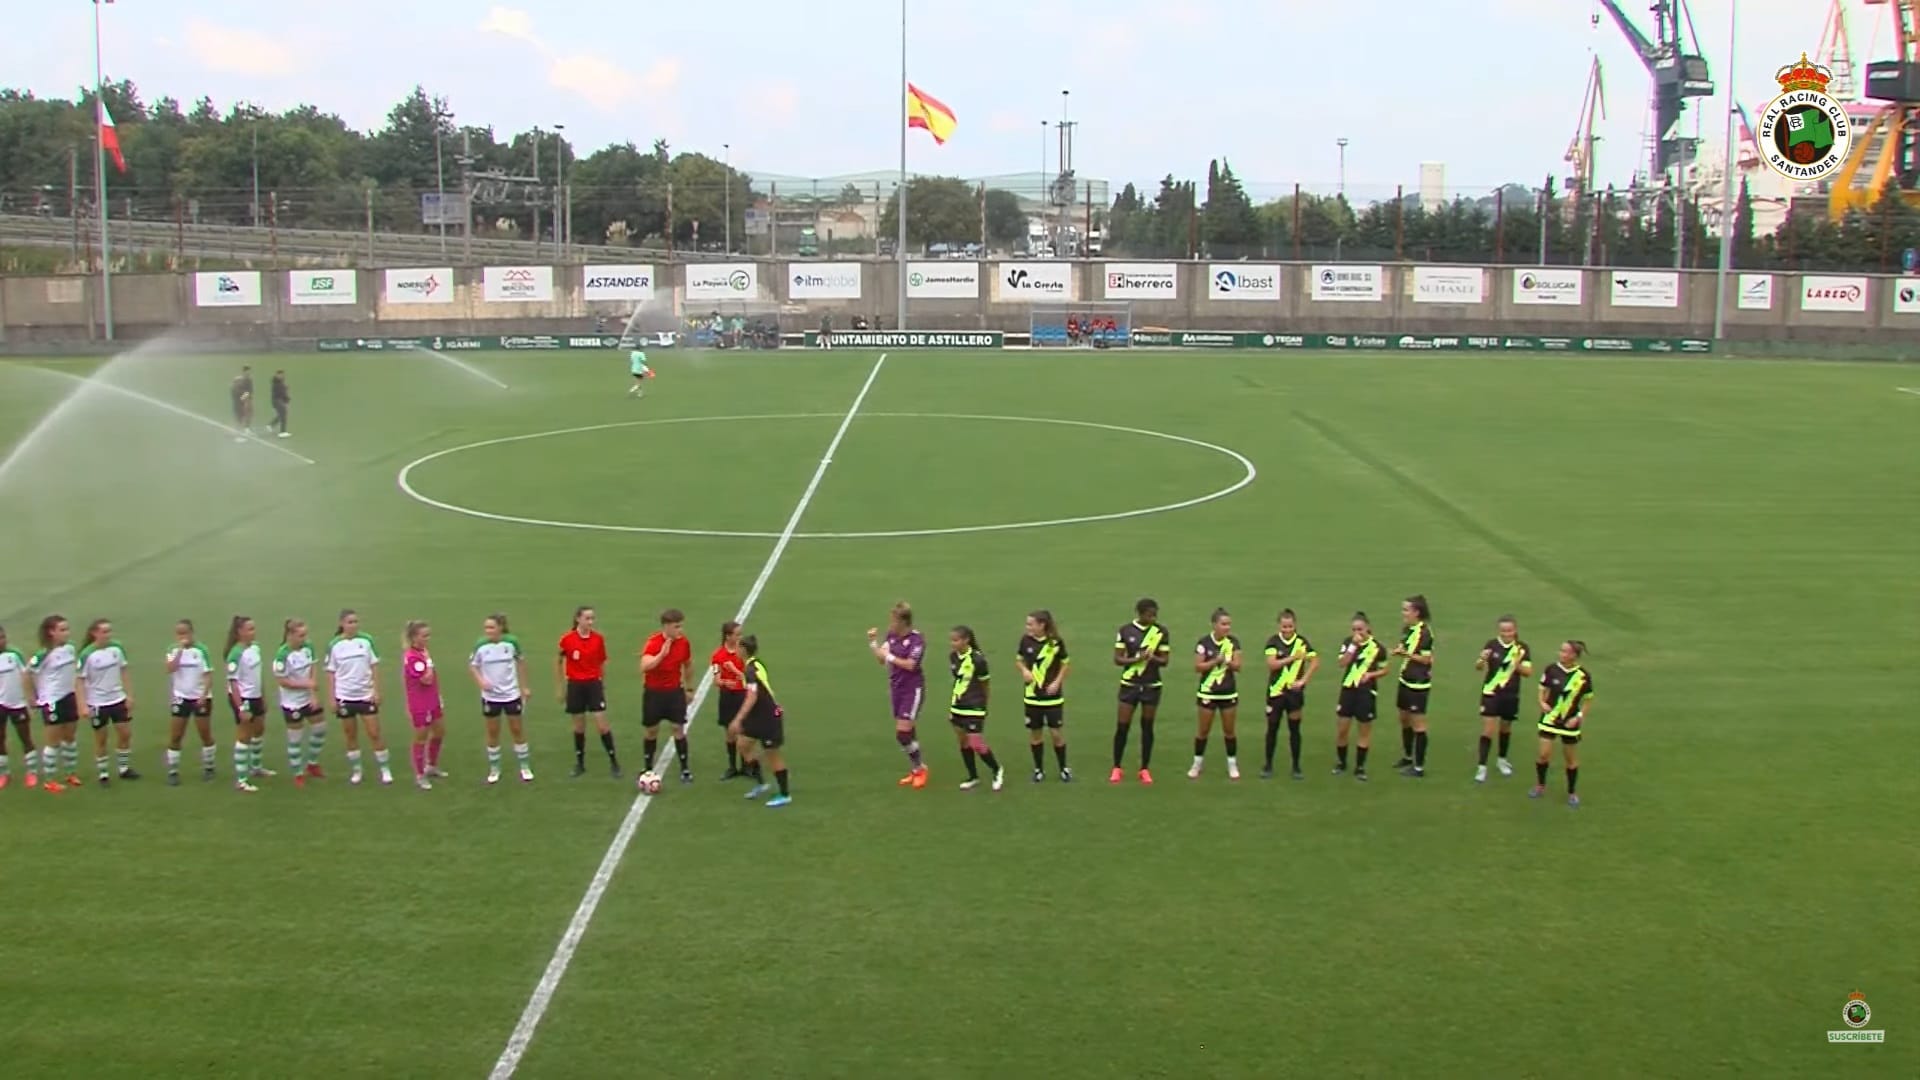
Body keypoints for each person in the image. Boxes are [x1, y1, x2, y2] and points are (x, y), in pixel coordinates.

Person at [324, 609, 391, 787]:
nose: (354, 625)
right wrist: (331, 698)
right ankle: (357, 770)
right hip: (345, 696)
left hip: (365, 695)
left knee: (374, 733)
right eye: (350, 622)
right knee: (350, 734)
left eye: (356, 622)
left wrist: (377, 690)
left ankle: (385, 769)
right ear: (342, 624)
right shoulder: (334, 645)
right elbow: (330, 673)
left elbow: (374, 666)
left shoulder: (366, 640)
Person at [866, 602, 928, 788]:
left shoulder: (917, 640)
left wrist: (890, 657)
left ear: (903, 622)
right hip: (896, 688)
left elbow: (911, 665)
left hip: (912, 690)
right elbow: (881, 660)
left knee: (902, 734)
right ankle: (916, 769)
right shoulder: (891, 636)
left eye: (893, 620)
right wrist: (873, 643)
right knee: (908, 730)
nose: (890, 624)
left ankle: (920, 768)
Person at [1111, 597, 1171, 785]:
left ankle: (1144, 768)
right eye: (1149, 615)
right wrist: (1137, 659)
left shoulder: (1161, 632)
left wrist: (1152, 658)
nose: (1153, 618)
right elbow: (1118, 659)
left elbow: (1165, 661)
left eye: (1155, 615)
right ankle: (1117, 767)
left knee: (1147, 727)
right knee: (1123, 726)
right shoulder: (1125, 631)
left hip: (1152, 685)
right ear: (1140, 613)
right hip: (1130, 684)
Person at [470, 613, 533, 785]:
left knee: (517, 730)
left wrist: (524, 687)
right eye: (486, 628)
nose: (488, 631)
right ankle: (494, 769)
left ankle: (525, 767)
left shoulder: (511, 643)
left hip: (511, 694)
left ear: (500, 627)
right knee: (492, 732)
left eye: (491, 627)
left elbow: (521, 663)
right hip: (491, 697)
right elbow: (473, 665)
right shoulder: (481, 645)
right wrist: (481, 682)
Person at [558, 606, 619, 778]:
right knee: (579, 726)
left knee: (602, 725)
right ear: (578, 619)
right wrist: (561, 687)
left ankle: (614, 762)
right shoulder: (567, 639)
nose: (590, 622)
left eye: (592, 618)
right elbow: (559, 660)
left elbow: (601, 662)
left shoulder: (598, 639)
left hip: (593, 684)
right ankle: (580, 764)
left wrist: (601, 683)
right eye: (587, 618)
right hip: (575, 685)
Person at [731, 634, 791, 807]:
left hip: (768, 718)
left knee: (772, 754)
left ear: (743, 649)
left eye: (737, 647)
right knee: (743, 745)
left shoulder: (750, 670)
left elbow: (752, 696)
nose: (735, 650)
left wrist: (738, 719)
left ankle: (785, 794)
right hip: (758, 716)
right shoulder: (755, 665)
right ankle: (761, 783)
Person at [77, 618, 139, 786]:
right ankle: (103, 773)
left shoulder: (117, 648)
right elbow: (80, 680)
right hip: (97, 703)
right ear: (94, 633)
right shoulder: (87, 654)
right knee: (101, 739)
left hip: (117, 699)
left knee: (125, 734)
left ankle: (124, 768)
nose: (108, 635)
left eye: (109, 631)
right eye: (104, 632)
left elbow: (124, 671)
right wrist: (82, 705)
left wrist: (129, 695)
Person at [1531, 641, 1594, 808]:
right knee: (1543, 755)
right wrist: (1541, 703)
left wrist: (1579, 717)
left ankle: (1572, 792)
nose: (1562, 654)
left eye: (1566, 652)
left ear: (1574, 655)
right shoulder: (1551, 669)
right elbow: (1542, 688)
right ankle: (1540, 785)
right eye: (1561, 651)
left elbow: (1588, 699)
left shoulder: (1583, 676)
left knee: (1570, 760)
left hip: (1570, 723)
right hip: (1549, 719)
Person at [1261, 609, 1319, 780]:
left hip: (1294, 693)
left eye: (1290, 626)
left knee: (1294, 729)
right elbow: (1272, 665)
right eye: (1284, 626)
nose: (1287, 630)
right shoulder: (1273, 642)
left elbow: (1315, 661)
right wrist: (1292, 658)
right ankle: (1268, 765)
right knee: (1272, 728)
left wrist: (1303, 681)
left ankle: (1296, 766)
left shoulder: (1302, 642)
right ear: (1279, 626)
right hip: (1276, 692)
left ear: (1295, 625)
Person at [1474, 616, 1533, 783]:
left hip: (1511, 694)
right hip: (1491, 692)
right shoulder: (1491, 645)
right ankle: (1482, 767)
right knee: (1488, 730)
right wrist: (1482, 659)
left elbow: (1528, 672)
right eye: (1503, 630)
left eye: (1509, 630)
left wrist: (1516, 664)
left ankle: (1502, 759)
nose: (1506, 633)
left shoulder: (1522, 648)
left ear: (1515, 630)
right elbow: (1478, 667)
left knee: (1505, 728)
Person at [1014, 609, 1071, 783]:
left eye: (1030, 624)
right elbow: (1019, 660)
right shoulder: (1025, 641)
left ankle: (1063, 768)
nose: (1027, 627)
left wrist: (1057, 682)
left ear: (1042, 625)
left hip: (1053, 697)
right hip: (1032, 696)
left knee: (1056, 733)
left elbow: (1065, 663)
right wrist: (1024, 671)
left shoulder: (1055, 643)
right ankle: (1038, 769)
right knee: (1035, 734)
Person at [639, 608, 694, 783]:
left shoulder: (684, 643)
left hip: (674, 692)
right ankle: (648, 767)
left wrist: (689, 688)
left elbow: (688, 664)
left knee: (678, 729)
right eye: (677, 627)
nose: (680, 630)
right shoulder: (653, 642)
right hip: (654, 693)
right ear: (666, 626)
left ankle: (685, 768)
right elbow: (644, 666)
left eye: (681, 626)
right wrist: (661, 655)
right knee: (651, 730)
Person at [1332, 612, 1389, 782]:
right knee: (1342, 729)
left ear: (1368, 628)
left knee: (1364, 731)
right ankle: (1341, 763)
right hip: (1348, 690)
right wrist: (1352, 647)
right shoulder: (1348, 643)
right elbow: (1342, 663)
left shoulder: (1378, 648)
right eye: (1354, 629)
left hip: (1366, 692)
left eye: (1360, 629)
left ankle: (1360, 767)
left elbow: (1385, 669)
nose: (1357, 632)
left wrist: (1371, 675)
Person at [1189, 608, 1244, 780]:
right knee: (1203, 731)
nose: (1227, 627)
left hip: (1228, 693)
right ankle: (1197, 763)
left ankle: (1232, 764)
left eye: (1229, 624)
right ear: (1214, 625)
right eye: (1223, 624)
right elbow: (1198, 667)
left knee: (1229, 731)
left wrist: (1228, 662)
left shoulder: (1233, 643)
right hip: (1208, 692)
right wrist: (1215, 661)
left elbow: (1238, 666)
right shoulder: (1204, 643)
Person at [162, 618, 218, 786]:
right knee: (176, 735)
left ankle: (209, 767)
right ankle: (173, 771)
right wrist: (180, 651)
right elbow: (170, 668)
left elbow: (208, 675)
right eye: (179, 633)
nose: (182, 636)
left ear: (191, 633)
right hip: (181, 697)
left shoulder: (201, 650)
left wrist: (203, 695)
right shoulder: (172, 650)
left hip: (200, 698)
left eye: (185, 633)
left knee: (205, 734)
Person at [947, 626, 1003, 791]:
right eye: (951, 640)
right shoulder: (953, 657)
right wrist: (952, 705)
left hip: (975, 706)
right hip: (958, 706)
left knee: (976, 743)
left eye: (956, 640)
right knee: (963, 742)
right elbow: (959, 681)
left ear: (966, 640)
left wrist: (983, 705)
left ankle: (997, 769)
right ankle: (973, 777)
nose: (952, 643)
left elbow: (985, 683)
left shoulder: (978, 660)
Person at [30, 615, 81, 790]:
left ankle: (70, 773)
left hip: (69, 697)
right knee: (53, 742)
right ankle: (49, 780)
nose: (67, 633)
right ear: (52, 632)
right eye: (63, 630)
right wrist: (32, 697)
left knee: (70, 738)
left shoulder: (70, 648)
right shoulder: (43, 654)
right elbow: (27, 673)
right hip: (52, 701)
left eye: (67, 629)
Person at [273, 619, 325, 786]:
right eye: (301, 635)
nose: (304, 638)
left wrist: (313, 694)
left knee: (320, 728)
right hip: (292, 703)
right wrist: (306, 684)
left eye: (305, 635)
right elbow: (282, 681)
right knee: (295, 738)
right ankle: (298, 773)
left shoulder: (308, 647)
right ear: (290, 635)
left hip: (308, 698)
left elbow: (312, 669)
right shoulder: (282, 655)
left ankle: (312, 763)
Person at [1392, 594, 1435, 778]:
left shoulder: (1425, 633)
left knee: (1418, 724)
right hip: (1405, 680)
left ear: (1416, 612)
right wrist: (1398, 651)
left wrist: (1405, 654)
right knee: (1404, 718)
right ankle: (1408, 756)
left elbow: (1426, 659)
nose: (1403, 613)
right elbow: (1404, 647)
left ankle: (1419, 768)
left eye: (1406, 610)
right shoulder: (1408, 629)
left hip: (1418, 684)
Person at [226, 615, 272, 788]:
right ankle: (241, 780)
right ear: (240, 632)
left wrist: (263, 696)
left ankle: (256, 768)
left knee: (259, 730)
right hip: (243, 698)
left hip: (256, 696)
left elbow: (258, 676)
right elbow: (233, 683)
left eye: (254, 628)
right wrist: (241, 708)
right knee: (244, 736)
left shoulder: (255, 648)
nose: (254, 632)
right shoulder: (235, 654)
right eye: (250, 629)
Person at [402, 620, 445, 791]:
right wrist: (429, 663)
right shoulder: (413, 657)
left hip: (433, 701)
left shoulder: (422, 652)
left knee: (439, 732)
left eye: (429, 635)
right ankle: (420, 775)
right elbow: (426, 679)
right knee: (421, 737)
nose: (428, 639)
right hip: (420, 704)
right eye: (424, 636)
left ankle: (431, 766)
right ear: (414, 637)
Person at [0, 624, 44, 791]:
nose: (2, 641)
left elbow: (27, 675)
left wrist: (33, 696)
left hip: (18, 704)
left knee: (25, 737)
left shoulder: (14, 654)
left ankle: (31, 772)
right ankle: (3, 773)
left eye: (3, 637)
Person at [710, 621, 747, 779]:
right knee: (730, 732)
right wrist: (725, 682)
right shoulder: (718, 655)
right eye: (737, 634)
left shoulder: (743, 652)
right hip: (728, 697)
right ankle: (732, 767)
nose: (740, 637)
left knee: (744, 732)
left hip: (743, 695)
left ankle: (746, 766)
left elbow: (749, 675)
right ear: (728, 636)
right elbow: (716, 679)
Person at [231, 366, 254, 439]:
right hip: (239, 402)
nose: (248, 373)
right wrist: (244, 399)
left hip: (245, 400)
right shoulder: (238, 381)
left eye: (249, 371)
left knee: (249, 413)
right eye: (247, 371)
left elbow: (250, 391)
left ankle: (246, 429)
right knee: (240, 418)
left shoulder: (249, 380)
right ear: (243, 372)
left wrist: (247, 399)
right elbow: (236, 393)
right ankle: (237, 435)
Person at [269, 370, 291, 437]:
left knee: (282, 414)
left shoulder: (280, 382)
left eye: (282, 374)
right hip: (277, 400)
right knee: (283, 414)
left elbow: (283, 392)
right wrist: (287, 398)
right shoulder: (277, 383)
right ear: (277, 375)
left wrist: (285, 388)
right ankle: (282, 432)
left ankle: (271, 425)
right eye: (280, 375)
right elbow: (282, 393)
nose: (282, 376)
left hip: (278, 400)